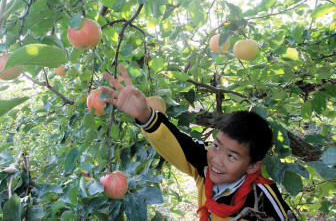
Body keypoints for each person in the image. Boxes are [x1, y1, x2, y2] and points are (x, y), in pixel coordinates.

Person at [100, 64, 296, 221]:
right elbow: (175, 142)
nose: (217, 160)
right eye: (216, 145)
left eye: (231, 156)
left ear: (253, 166)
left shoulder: (262, 198)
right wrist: (144, 114)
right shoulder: (205, 166)